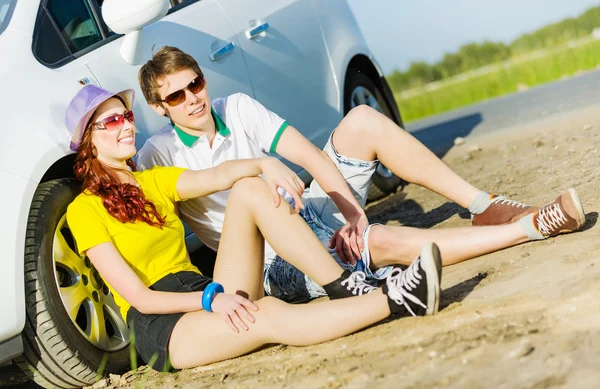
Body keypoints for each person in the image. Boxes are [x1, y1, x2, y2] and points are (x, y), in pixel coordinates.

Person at [136, 46, 586, 304]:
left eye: (195, 84)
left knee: (361, 122)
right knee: (383, 242)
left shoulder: (234, 107)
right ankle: (532, 227)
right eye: (176, 96)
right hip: (273, 260)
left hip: (306, 209)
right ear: (160, 108)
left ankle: (483, 206)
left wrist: (354, 216)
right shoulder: (158, 154)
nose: (192, 98)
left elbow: (311, 156)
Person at [64, 84, 444, 372]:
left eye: (127, 116)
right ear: (87, 143)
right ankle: (397, 298)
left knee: (247, 189)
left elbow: (220, 174)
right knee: (267, 314)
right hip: (165, 325)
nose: (125, 125)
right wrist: (212, 300)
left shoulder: (152, 182)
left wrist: (263, 166)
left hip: (203, 288)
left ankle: (342, 286)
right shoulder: (84, 211)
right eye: (111, 121)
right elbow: (140, 298)